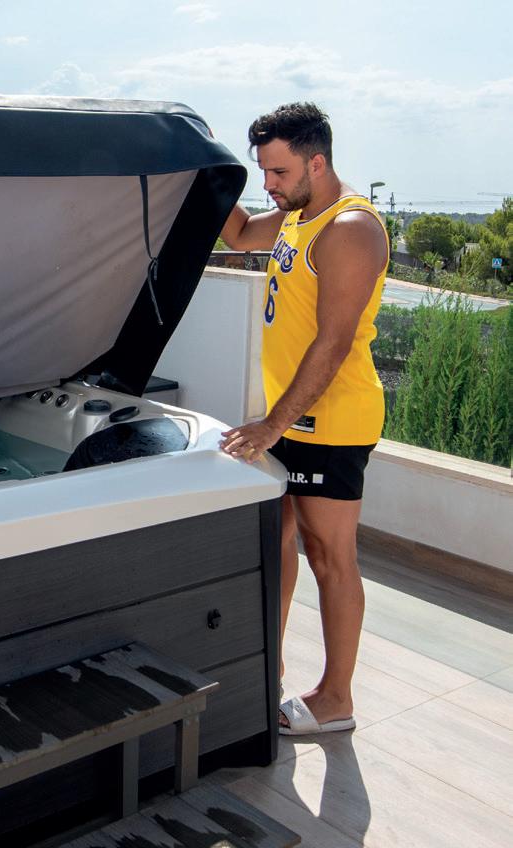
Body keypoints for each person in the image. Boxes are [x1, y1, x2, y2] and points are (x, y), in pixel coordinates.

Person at [217, 102, 388, 735]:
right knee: (278, 540)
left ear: (317, 163)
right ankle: (271, 667)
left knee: (328, 555)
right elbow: (238, 235)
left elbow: (333, 343)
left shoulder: (350, 229)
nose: (269, 184)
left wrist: (271, 425)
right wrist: (205, 173)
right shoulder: (296, 215)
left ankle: (336, 698)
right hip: (289, 419)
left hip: (332, 421)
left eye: (279, 172)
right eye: (263, 171)